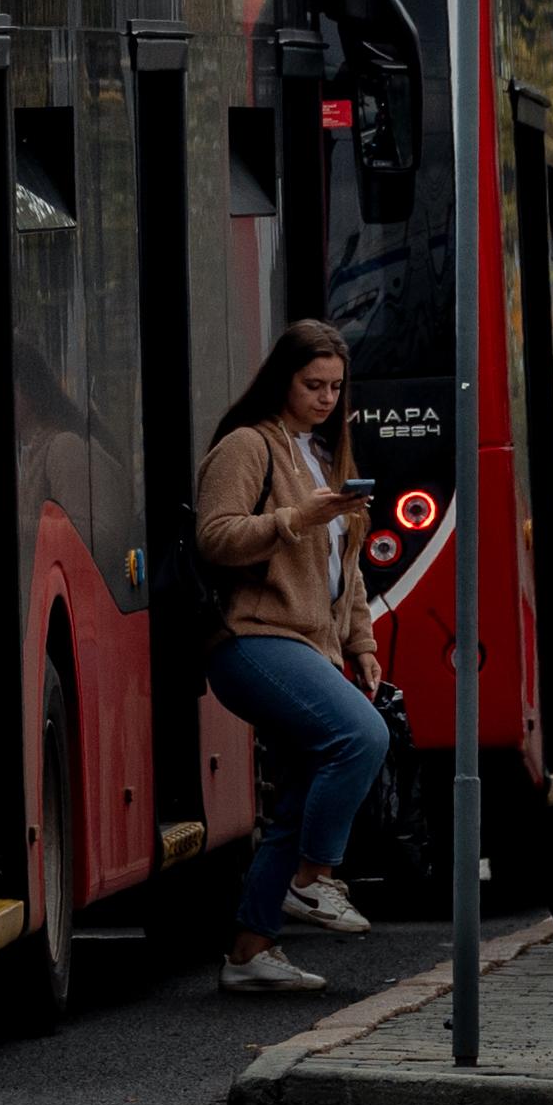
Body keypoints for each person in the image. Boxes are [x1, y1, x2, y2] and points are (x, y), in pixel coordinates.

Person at [193, 321, 394, 995]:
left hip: (310, 644)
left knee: (308, 785)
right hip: (252, 639)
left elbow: (350, 565)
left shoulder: (322, 452)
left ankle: (250, 949)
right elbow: (215, 537)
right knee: (362, 735)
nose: (326, 399)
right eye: (313, 385)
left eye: (336, 388)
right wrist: (294, 519)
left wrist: (362, 643)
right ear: (283, 378)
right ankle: (314, 879)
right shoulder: (247, 446)